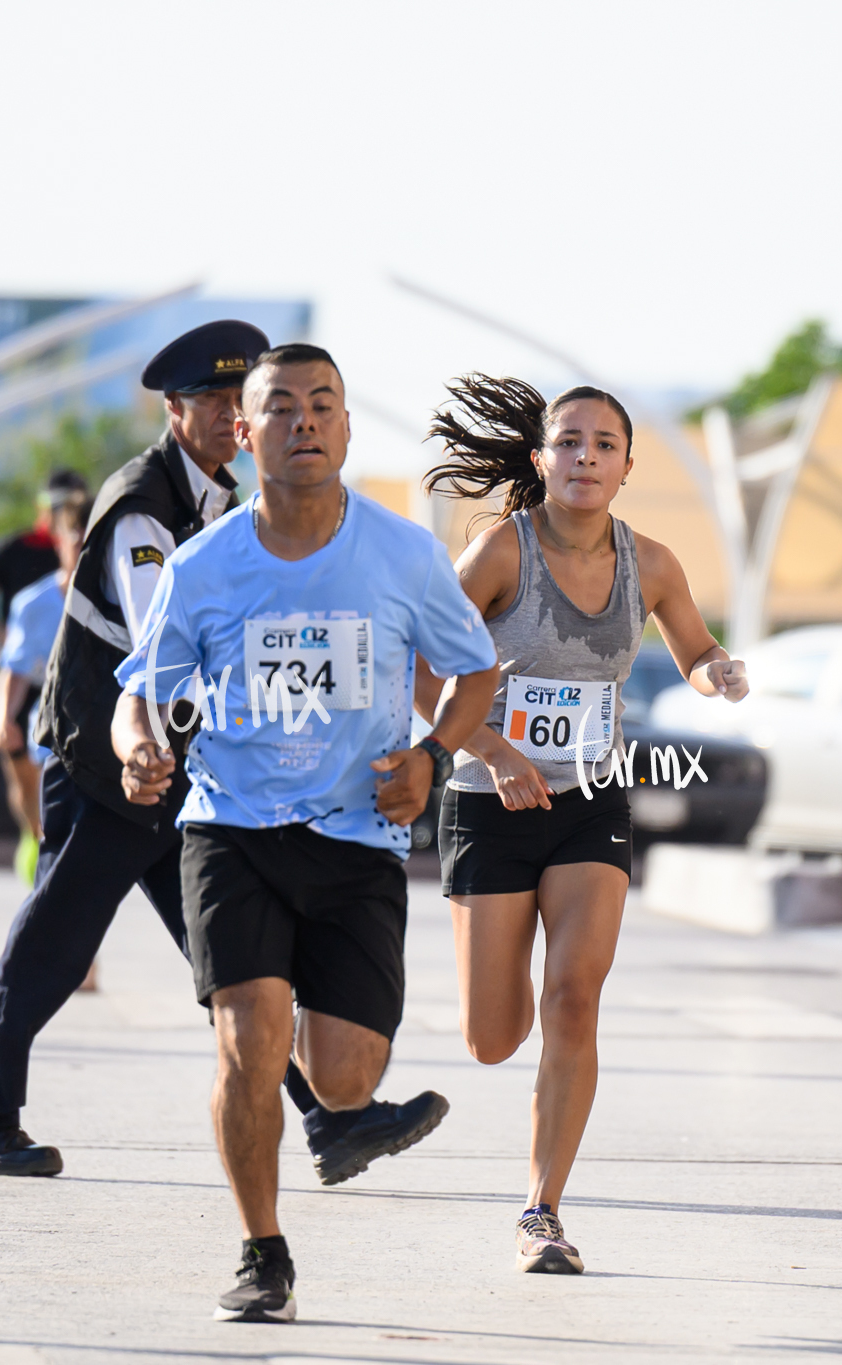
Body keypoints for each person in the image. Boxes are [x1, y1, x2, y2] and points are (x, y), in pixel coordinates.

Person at [0, 322, 448, 1184]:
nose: (228, 416)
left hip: (180, 776)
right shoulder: (145, 504)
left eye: (236, 400)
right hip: (115, 767)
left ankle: (329, 1120)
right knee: (61, 940)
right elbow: (163, 645)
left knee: (239, 961)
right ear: (174, 411)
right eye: (211, 401)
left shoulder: (217, 498)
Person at [111, 343, 501, 1323]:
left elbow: (473, 672)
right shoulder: (203, 567)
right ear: (245, 434)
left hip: (360, 838)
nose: (303, 422)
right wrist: (137, 747)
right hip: (231, 831)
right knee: (247, 1043)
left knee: (339, 1079)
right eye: (279, 408)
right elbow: (138, 694)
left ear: (344, 427)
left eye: (321, 404)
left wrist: (430, 759)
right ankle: (261, 1252)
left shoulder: (403, 553)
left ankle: (343, 1114)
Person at [421, 376, 749, 1275]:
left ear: (628, 466)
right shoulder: (499, 553)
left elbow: (694, 648)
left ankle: (542, 1210)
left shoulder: (655, 562)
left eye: (604, 444)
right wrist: (491, 749)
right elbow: (420, 667)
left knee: (576, 992)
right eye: (569, 442)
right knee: (494, 1035)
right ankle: (504, 980)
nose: (586, 457)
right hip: (490, 803)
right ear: (541, 459)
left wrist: (718, 671)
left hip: (589, 803)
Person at [0, 469, 93, 870]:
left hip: (72, 680)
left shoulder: (97, 555)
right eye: (58, 506)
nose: (66, 515)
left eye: (74, 506)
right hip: (25, 674)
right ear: (43, 508)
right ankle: (33, 833)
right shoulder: (14, 551)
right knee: (24, 775)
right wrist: (10, 639)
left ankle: (55, 845)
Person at [0, 486, 88, 884]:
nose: (82, 551)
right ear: (60, 542)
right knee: (48, 822)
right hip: (49, 731)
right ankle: (36, 845)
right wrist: (3, 715)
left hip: (100, 734)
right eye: (75, 541)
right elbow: (14, 668)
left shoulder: (123, 597)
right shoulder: (33, 604)